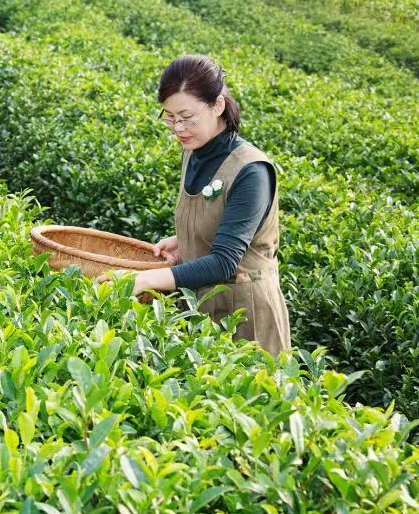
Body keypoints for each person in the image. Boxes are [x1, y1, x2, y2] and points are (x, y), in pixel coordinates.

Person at [100, 54, 290, 355]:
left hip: (246, 316)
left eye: (187, 117)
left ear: (217, 106)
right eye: (170, 117)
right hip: (199, 307)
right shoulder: (193, 151)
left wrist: (144, 279)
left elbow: (225, 261)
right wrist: (185, 241)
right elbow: (218, 220)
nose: (178, 128)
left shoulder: (251, 171)